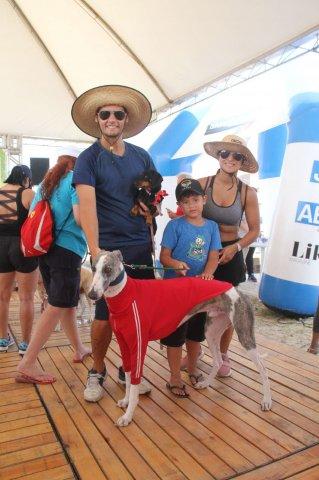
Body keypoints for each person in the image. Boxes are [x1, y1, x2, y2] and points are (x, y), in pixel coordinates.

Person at [72, 85, 158, 402]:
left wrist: (153, 207)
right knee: (104, 316)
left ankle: (127, 370)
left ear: (125, 120)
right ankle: (97, 371)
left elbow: (149, 198)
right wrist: (96, 252)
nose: (111, 119)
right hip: (108, 252)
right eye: (105, 113)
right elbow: (87, 208)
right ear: (97, 119)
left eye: (117, 114)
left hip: (139, 248)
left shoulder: (141, 156)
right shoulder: (88, 159)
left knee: (137, 316)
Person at [16, 155, 90, 383]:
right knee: (57, 304)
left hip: (45, 250)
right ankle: (27, 363)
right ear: (75, 167)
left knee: (65, 302)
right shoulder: (76, 182)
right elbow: (79, 218)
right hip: (67, 250)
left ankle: (79, 348)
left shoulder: (45, 185)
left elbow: (33, 215)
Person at [193, 134, 260, 377]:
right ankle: (194, 351)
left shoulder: (247, 193)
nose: (230, 158)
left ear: (242, 161)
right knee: (196, 305)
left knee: (228, 310)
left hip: (231, 253)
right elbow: (186, 213)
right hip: (202, 252)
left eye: (237, 155)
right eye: (225, 153)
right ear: (218, 156)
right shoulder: (201, 183)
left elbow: (254, 231)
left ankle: (222, 354)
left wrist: (236, 247)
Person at [160, 179, 221, 397]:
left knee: (195, 334)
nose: (192, 205)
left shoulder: (212, 227)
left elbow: (214, 256)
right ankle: (174, 376)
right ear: (179, 205)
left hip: (199, 291)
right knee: (176, 334)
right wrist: (176, 265)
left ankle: (193, 369)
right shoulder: (174, 225)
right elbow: (164, 256)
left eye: (195, 200)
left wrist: (208, 273)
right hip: (175, 290)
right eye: (186, 202)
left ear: (204, 200)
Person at [0, 165, 38, 354]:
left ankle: (2, 340)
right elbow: (39, 221)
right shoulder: (28, 193)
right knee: (26, 298)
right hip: (22, 247)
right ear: (26, 178)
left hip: (0, 248)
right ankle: (25, 344)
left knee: (2, 297)